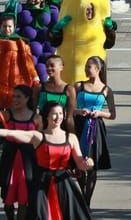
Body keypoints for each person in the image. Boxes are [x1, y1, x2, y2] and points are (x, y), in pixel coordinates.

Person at [0, 102, 94, 220]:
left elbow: (80, 163)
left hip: (64, 183)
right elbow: (10, 133)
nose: (58, 117)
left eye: (60, 113)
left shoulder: (71, 138)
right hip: (41, 183)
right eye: (54, 114)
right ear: (46, 116)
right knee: (41, 215)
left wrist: (87, 163)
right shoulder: (38, 137)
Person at [73, 56, 115, 204]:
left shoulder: (106, 90)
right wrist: (79, 111)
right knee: (79, 164)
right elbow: (69, 109)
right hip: (79, 125)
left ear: (97, 69)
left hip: (96, 128)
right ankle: (82, 195)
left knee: (92, 166)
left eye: (88, 67)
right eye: (85, 66)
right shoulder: (78, 86)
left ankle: (86, 201)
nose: (85, 69)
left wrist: (100, 113)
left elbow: (112, 114)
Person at [0, 85, 37, 220]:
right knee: (7, 197)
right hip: (9, 157)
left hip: (28, 159)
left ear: (27, 98)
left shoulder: (36, 118)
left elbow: (41, 140)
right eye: (13, 96)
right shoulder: (6, 114)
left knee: (24, 196)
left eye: (18, 96)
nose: (15, 99)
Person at [32, 54, 75, 133]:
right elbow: (33, 112)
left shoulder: (69, 90)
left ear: (61, 67)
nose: (49, 68)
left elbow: (69, 117)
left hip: (61, 129)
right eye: (47, 66)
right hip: (41, 128)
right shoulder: (39, 88)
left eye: (52, 66)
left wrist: (72, 138)